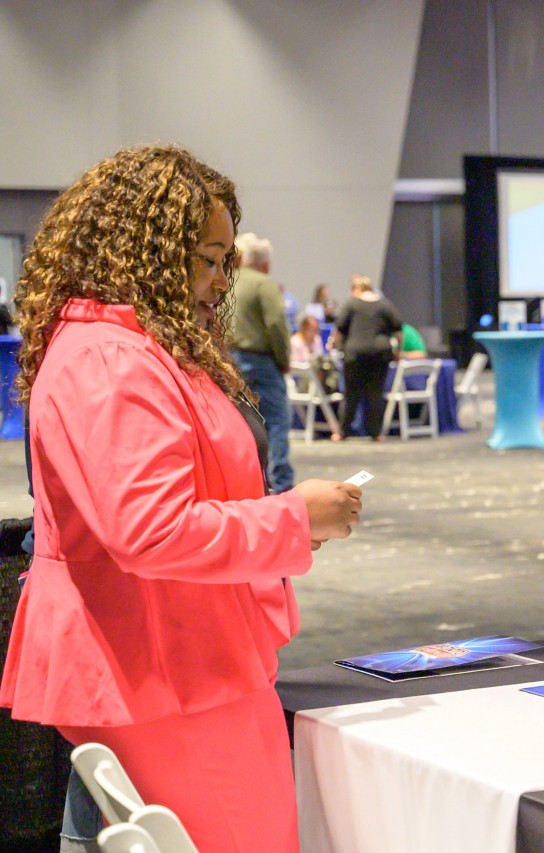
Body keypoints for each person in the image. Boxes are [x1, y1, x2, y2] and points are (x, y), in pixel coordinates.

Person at [0, 144, 363, 853]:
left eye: (226, 260)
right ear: (145, 249)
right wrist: (293, 517)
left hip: (172, 656)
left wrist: (282, 524)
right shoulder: (112, 358)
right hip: (162, 663)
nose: (219, 278)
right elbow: (150, 529)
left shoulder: (125, 346)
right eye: (207, 257)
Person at [230, 232, 295, 493]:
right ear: (265, 263)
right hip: (261, 361)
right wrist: (283, 359)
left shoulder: (228, 281)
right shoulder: (263, 284)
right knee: (277, 421)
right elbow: (277, 325)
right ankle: (280, 484)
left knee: (239, 423)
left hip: (227, 359)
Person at [332, 275, 403, 441]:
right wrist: (398, 351)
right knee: (376, 393)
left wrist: (334, 345)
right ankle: (376, 433)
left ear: (357, 289)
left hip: (355, 353)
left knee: (351, 393)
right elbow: (399, 331)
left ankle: (343, 432)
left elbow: (339, 329)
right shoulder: (385, 305)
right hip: (380, 354)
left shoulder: (351, 304)